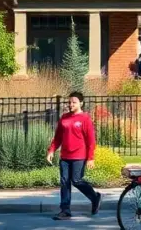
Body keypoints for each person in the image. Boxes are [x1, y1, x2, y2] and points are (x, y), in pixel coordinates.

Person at [46, 91, 101, 221]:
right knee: (64, 182)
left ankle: (95, 197)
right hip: (65, 156)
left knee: (76, 180)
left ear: (81, 103)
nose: (71, 104)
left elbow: (91, 140)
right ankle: (65, 210)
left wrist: (90, 158)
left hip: (79, 156)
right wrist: (51, 150)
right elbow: (58, 137)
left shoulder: (85, 118)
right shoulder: (64, 118)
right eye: (69, 102)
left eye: (74, 102)